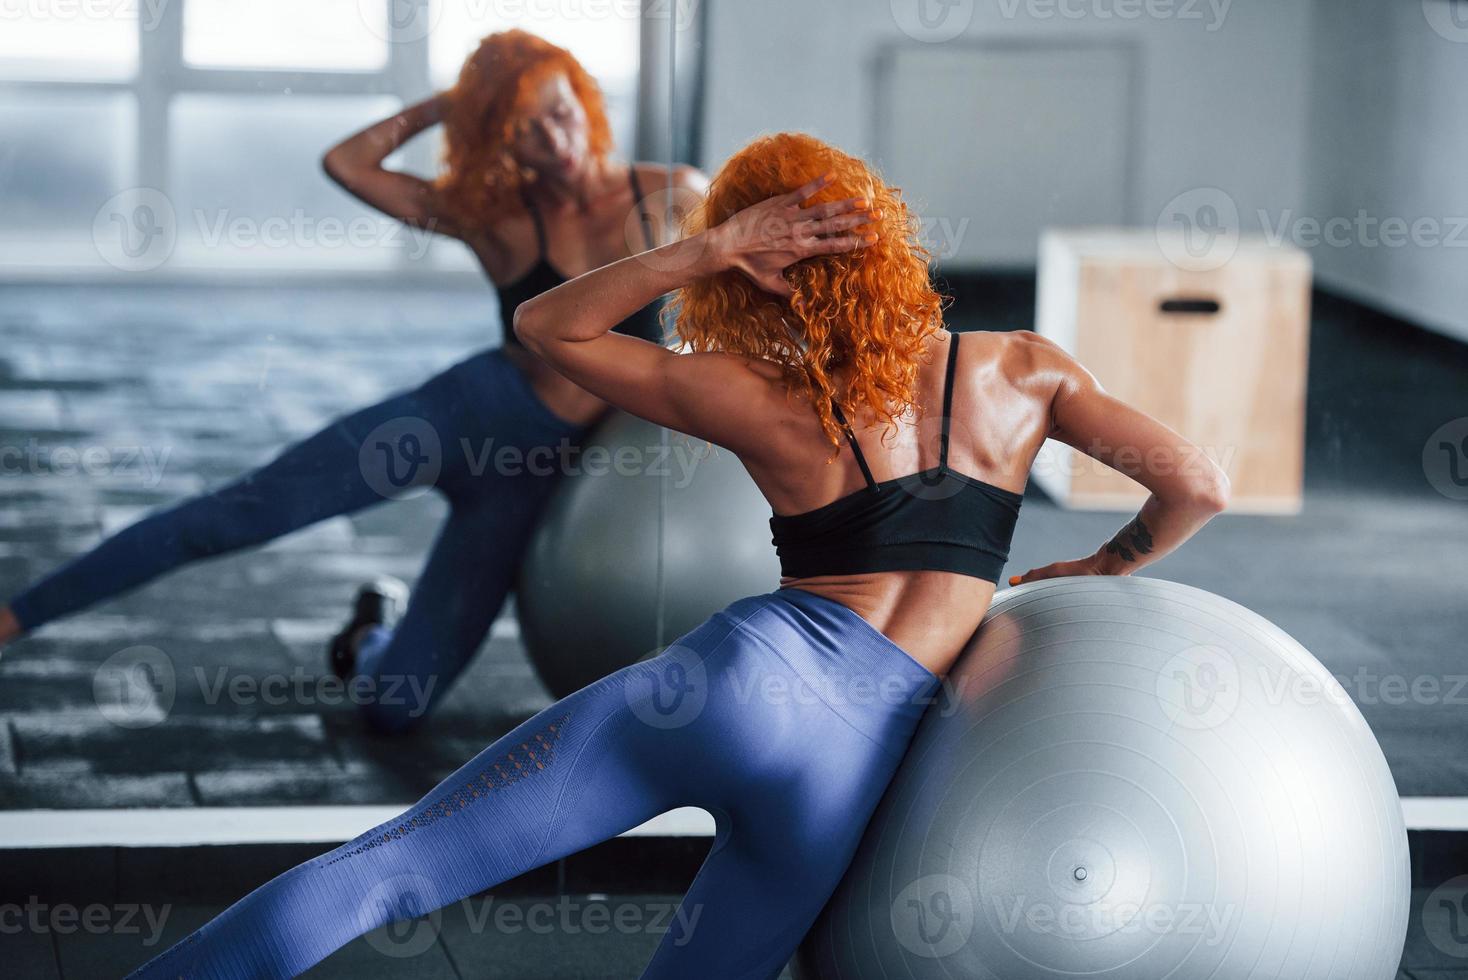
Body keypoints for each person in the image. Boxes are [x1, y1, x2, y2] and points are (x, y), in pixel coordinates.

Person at [124, 132, 1228, 979]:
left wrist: (705, 248)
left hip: (727, 686)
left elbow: (549, 330)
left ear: (759, 271)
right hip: (847, 770)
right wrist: (1103, 564)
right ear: (884, 241)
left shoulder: (755, 392)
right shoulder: (1023, 369)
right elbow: (1197, 484)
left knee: (391, 870)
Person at [0, 30, 705, 732]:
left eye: (559, 112)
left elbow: (737, 296)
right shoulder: (495, 216)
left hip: (537, 479)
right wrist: (452, 104)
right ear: (499, 142)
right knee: (236, 514)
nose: (555, 140)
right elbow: (347, 162)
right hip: (465, 417)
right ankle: (14, 616)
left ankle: (368, 634)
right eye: (524, 130)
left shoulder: (673, 196)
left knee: (396, 708)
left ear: (584, 99)